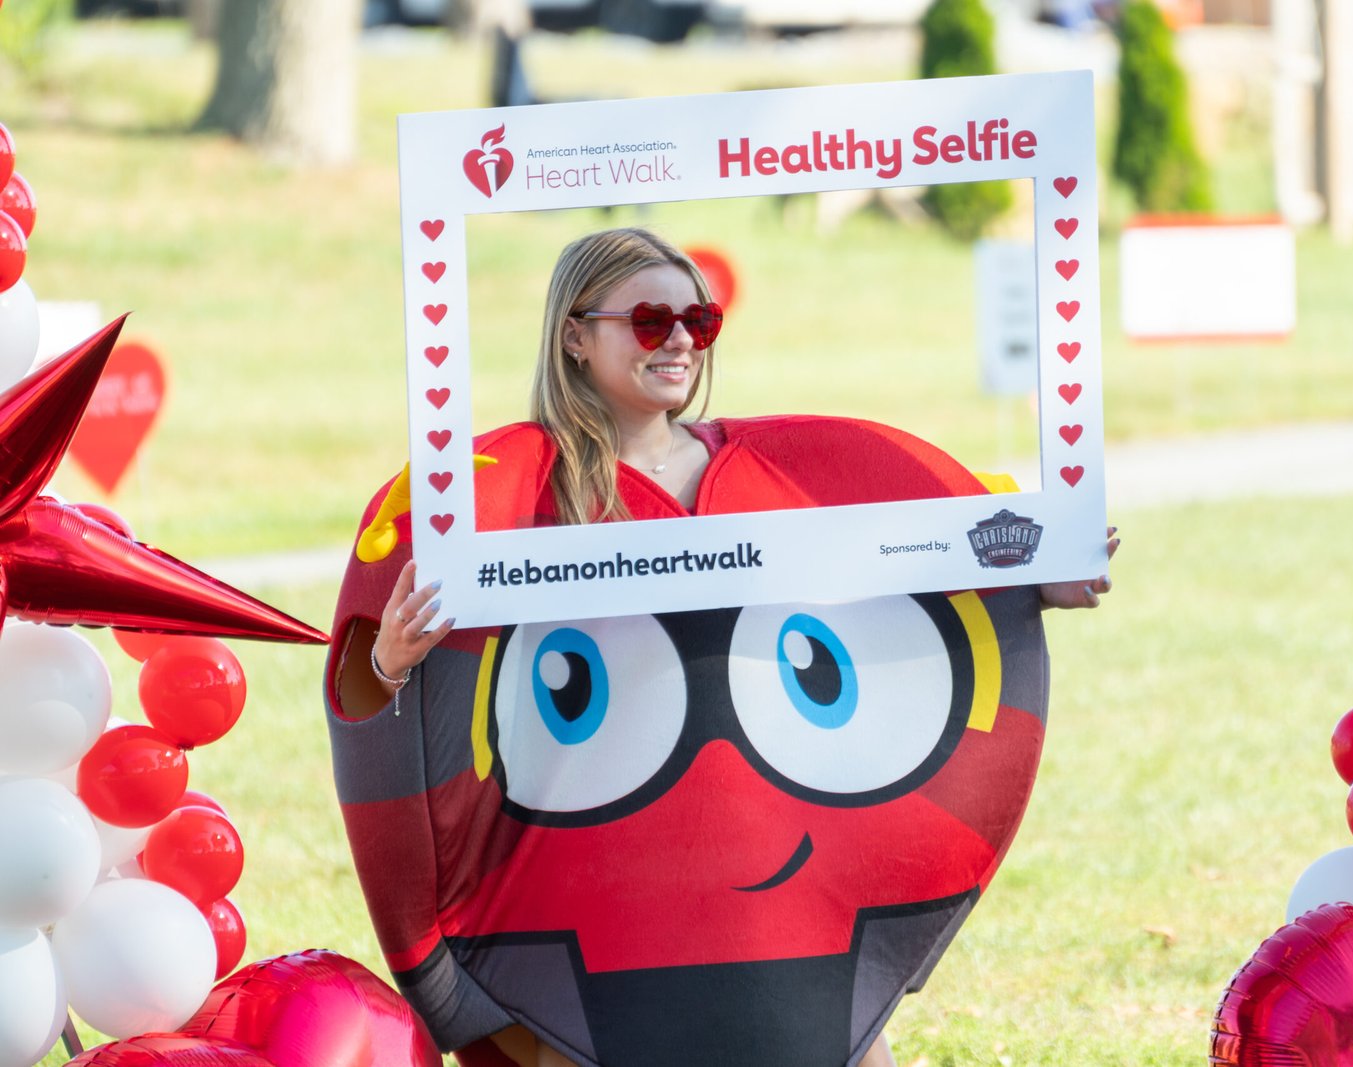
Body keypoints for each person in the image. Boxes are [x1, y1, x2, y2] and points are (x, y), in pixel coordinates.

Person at [335, 227, 1117, 1067]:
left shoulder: (783, 471)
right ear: (573, 333)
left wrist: (1032, 581)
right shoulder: (502, 491)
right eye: (648, 319)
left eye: (697, 321)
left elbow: (911, 573)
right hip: (597, 896)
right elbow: (385, 689)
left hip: (780, 880)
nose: (677, 339)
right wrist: (393, 663)